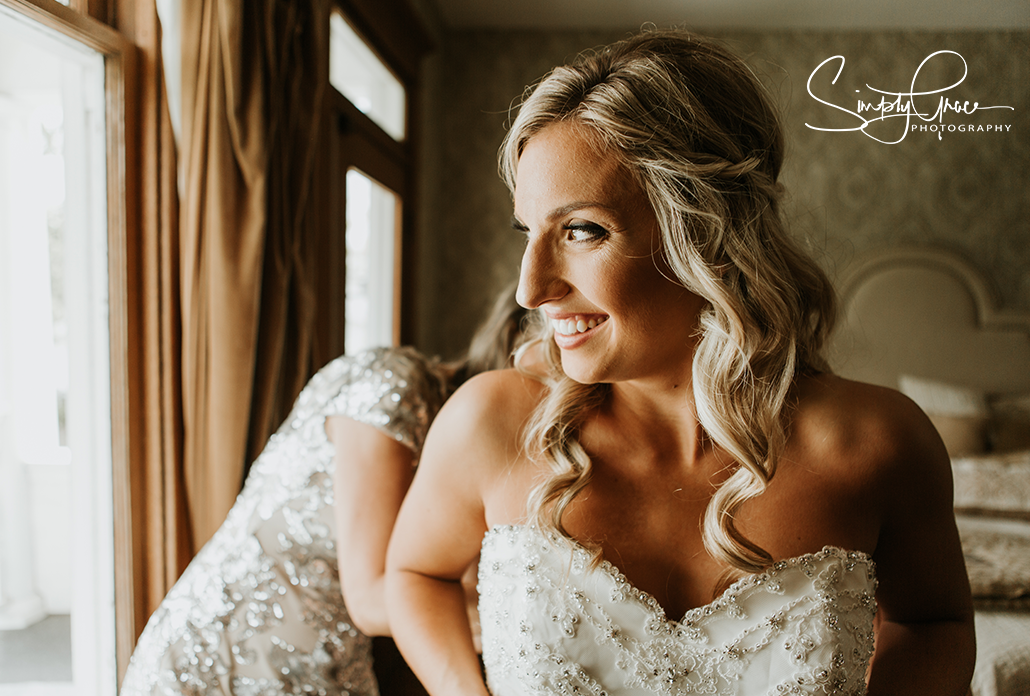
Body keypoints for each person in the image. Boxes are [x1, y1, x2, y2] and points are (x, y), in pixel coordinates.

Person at [385, 30, 976, 696]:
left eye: (582, 230)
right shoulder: (489, 423)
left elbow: (935, 624)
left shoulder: (878, 445)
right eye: (530, 232)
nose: (530, 288)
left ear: (706, 232)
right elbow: (415, 574)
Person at [119, 285, 529, 696]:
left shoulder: (492, 473)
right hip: (225, 658)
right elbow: (371, 597)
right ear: (518, 341)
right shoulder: (396, 385)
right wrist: (530, 631)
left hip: (326, 663)